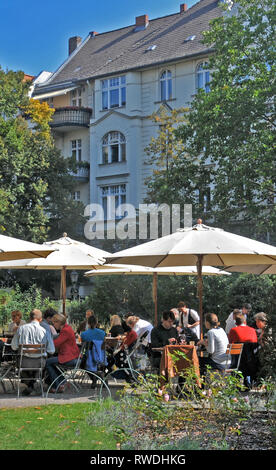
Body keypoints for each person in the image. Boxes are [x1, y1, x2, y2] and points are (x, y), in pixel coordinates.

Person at [11, 309, 55, 396]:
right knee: (40, 364)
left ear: (29, 318)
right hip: (39, 363)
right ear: (40, 319)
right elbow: (51, 350)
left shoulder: (21, 329)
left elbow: (14, 346)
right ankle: (32, 384)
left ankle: (29, 384)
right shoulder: (44, 331)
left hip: (23, 362)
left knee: (20, 362)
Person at [46, 313, 80, 392]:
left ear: (59, 322)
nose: (53, 324)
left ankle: (57, 386)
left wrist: (47, 343)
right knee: (52, 363)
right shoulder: (67, 328)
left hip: (69, 357)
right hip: (72, 356)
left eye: (54, 322)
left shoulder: (65, 330)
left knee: (47, 362)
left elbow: (57, 343)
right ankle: (63, 382)